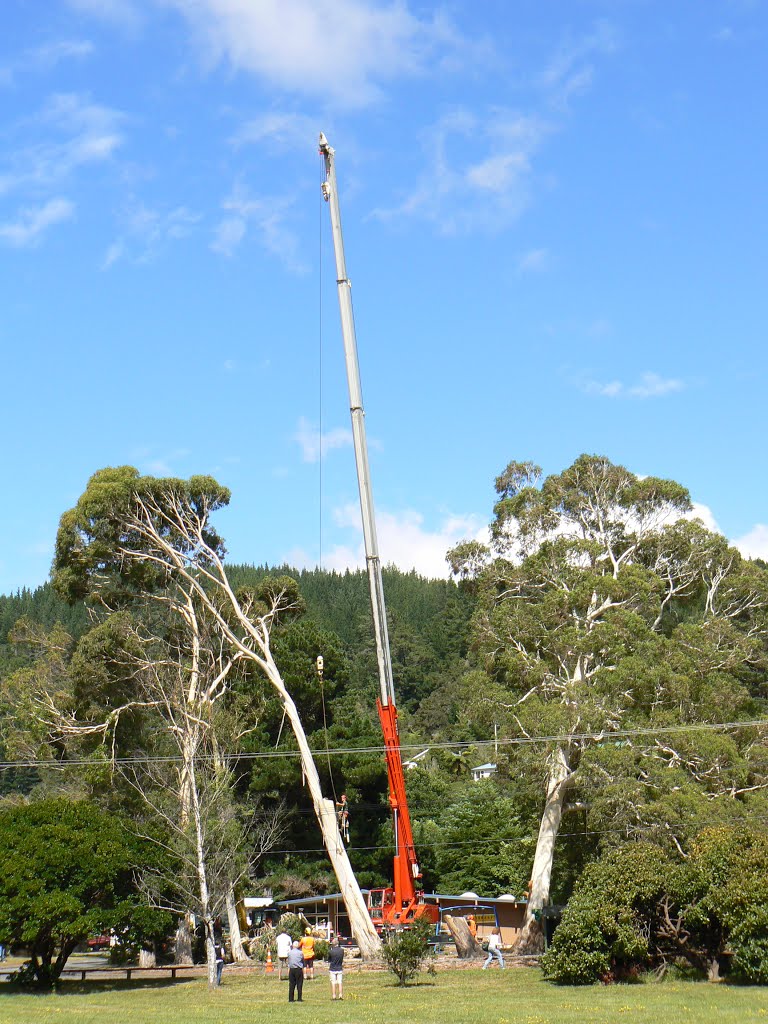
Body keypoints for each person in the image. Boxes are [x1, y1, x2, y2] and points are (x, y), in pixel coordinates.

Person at [328, 936, 344, 1001]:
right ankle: (340, 995)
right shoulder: (341, 950)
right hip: (339, 967)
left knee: (333, 983)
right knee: (340, 982)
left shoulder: (331, 952)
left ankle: (334, 996)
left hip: (332, 968)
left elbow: (329, 960)